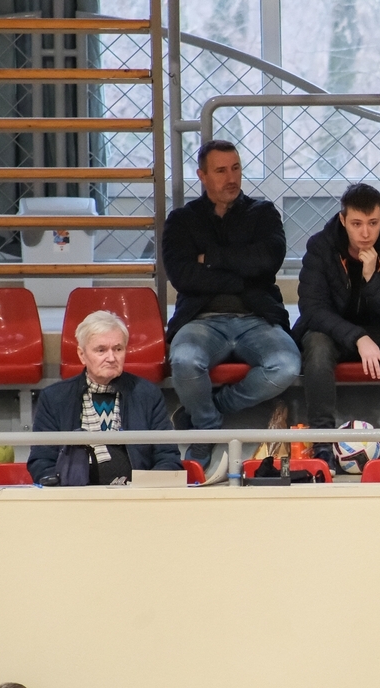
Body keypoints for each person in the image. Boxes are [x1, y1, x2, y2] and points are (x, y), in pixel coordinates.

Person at [162, 140, 301, 484]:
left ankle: (209, 413)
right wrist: (242, 274)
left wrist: (210, 259)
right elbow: (183, 276)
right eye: (221, 171)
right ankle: (207, 428)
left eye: (236, 168)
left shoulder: (263, 213)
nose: (231, 178)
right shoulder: (181, 220)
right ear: (202, 176)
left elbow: (268, 261)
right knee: (184, 360)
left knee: (286, 365)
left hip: (257, 318)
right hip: (202, 320)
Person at [292, 183, 380, 469]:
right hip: (334, 329)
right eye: (356, 224)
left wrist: (371, 279)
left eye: (373, 223)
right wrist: (358, 337)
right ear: (343, 220)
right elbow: (312, 310)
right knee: (316, 345)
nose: (365, 233)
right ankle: (322, 444)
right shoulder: (321, 246)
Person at [27, 310, 181, 484]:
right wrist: (65, 488)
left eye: (118, 349)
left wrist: (146, 488)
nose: (111, 358)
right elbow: (42, 461)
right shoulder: (54, 398)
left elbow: (168, 457)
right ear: (82, 355)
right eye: (101, 350)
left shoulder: (147, 394)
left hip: (136, 495)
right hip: (74, 495)